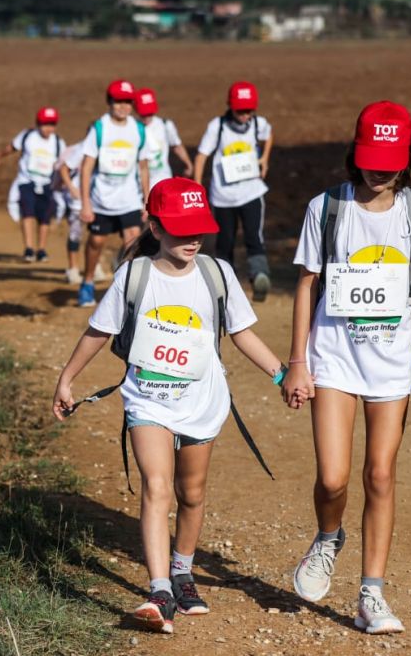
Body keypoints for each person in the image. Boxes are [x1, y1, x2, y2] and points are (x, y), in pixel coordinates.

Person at [52, 177, 288, 635]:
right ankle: (160, 590)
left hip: (202, 400)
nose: (193, 238)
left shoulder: (216, 274)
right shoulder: (134, 276)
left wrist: (281, 374)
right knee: (156, 487)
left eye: (198, 227)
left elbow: (241, 333)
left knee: (192, 493)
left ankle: (182, 570)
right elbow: (100, 331)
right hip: (148, 400)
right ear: (155, 227)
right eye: (180, 229)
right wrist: (67, 379)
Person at [281, 101, 411, 635]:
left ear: (408, 159)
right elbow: (307, 282)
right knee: (333, 478)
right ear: (354, 154)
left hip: (391, 365)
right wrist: (297, 363)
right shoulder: (326, 208)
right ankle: (328, 537)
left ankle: (371, 594)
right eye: (372, 158)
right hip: (333, 357)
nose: (381, 170)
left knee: (380, 474)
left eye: (393, 160)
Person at [192, 81, 275, 302]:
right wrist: (198, 189)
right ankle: (225, 285)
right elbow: (201, 156)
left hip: (252, 192)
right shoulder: (217, 127)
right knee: (225, 242)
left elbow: (268, 136)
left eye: (249, 110)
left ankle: (259, 276)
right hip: (223, 198)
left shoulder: (259, 124)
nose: (245, 115)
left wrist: (265, 159)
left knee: (253, 237)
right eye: (241, 110)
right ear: (230, 106)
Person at [77, 79, 150, 307]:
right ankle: (87, 282)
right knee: (96, 241)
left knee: (132, 242)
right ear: (110, 102)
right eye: (118, 101)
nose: (123, 106)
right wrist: (86, 203)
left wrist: (146, 199)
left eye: (127, 102)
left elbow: (144, 166)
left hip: (128, 198)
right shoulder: (99, 128)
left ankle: (123, 287)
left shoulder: (138, 129)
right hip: (101, 200)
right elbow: (86, 166)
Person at [0, 106, 65, 263]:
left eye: (51, 124)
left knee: (45, 218)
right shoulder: (27, 136)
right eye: (45, 124)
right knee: (28, 214)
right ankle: (29, 248)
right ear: (38, 124)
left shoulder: (58, 143)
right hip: (27, 181)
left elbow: (64, 163)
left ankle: (42, 249)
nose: (48, 128)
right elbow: (11, 148)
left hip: (48, 183)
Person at [135, 88, 193, 187]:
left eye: (150, 113)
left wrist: (188, 164)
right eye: (143, 114)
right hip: (138, 182)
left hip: (162, 180)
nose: (147, 118)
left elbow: (176, 146)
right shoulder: (132, 127)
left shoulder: (165, 125)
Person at [53, 139, 87, 283]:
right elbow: (61, 169)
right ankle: (73, 269)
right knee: (76, 234)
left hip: (97, 200)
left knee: (94, 236)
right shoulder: (74, 150)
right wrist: (71, 188)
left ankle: (94, 267)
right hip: (76, 201)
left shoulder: (107, 150)